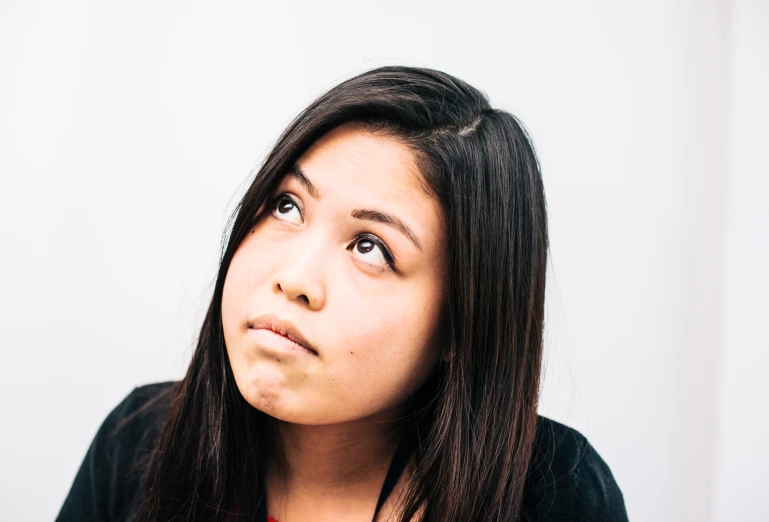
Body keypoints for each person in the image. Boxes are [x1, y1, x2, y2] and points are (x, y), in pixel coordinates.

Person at [55, 65, 629, 522]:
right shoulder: (136, 444)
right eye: (287, 206)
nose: (295, 278)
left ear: (462, 322)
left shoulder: (554, 491)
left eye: (371, 247)